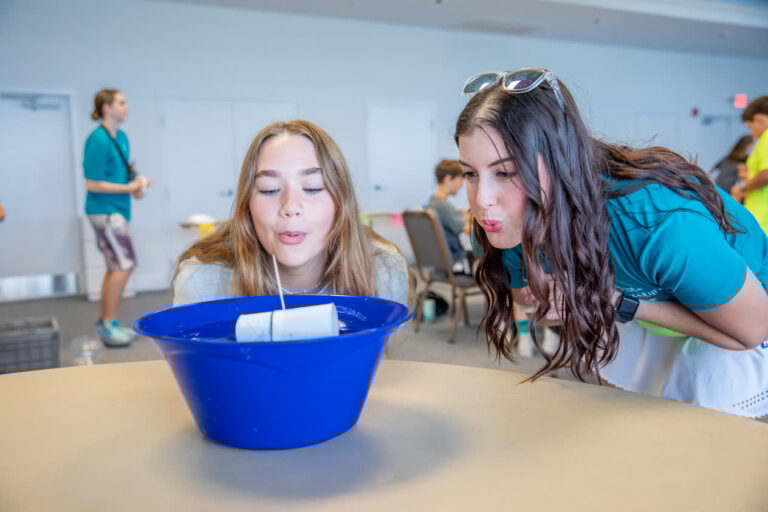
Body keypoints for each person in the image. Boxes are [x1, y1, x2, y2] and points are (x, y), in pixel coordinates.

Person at [456, 68, 768, 417]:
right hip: (647, 308)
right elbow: (533, 303)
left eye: (506, 172)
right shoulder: (501, 225)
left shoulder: (656, 223)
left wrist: (615, 301)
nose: (482, 200)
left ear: (561, 163)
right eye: (470, 173)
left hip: (750, 316)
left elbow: (750, 333)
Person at [173, 120, 408, 308]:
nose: (290, 206)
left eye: (313, 187)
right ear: (247, 205)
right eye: (269, 189)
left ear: (342, 202)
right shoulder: (203, 282)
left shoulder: (384, 271)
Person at [84, 89, 153, 347]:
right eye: (121, 103)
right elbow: (92, 183)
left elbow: (119, 177)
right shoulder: (98, 140)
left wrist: (137, 185)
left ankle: (108, 323)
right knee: (123, 265)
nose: (127, 107)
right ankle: (108, 325)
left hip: (118, 209)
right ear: (106, 108)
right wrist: (128, 188)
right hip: (104, 211)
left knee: (118, 265)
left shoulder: (121, 137)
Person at [426, 159, 472, 273]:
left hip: (443, 265)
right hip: (457, 264)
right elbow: (470, 230)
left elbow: (455, 218)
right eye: (460, 181)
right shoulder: (443, 206)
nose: (461, 186)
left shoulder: (433, 202)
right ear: (448, 179)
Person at [740, 96, 768, 235]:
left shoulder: (767, 137)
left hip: (763, 216)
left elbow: (766, 174)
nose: (752, 133)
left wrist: (744, 187)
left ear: (759, 119)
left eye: (751, 127)